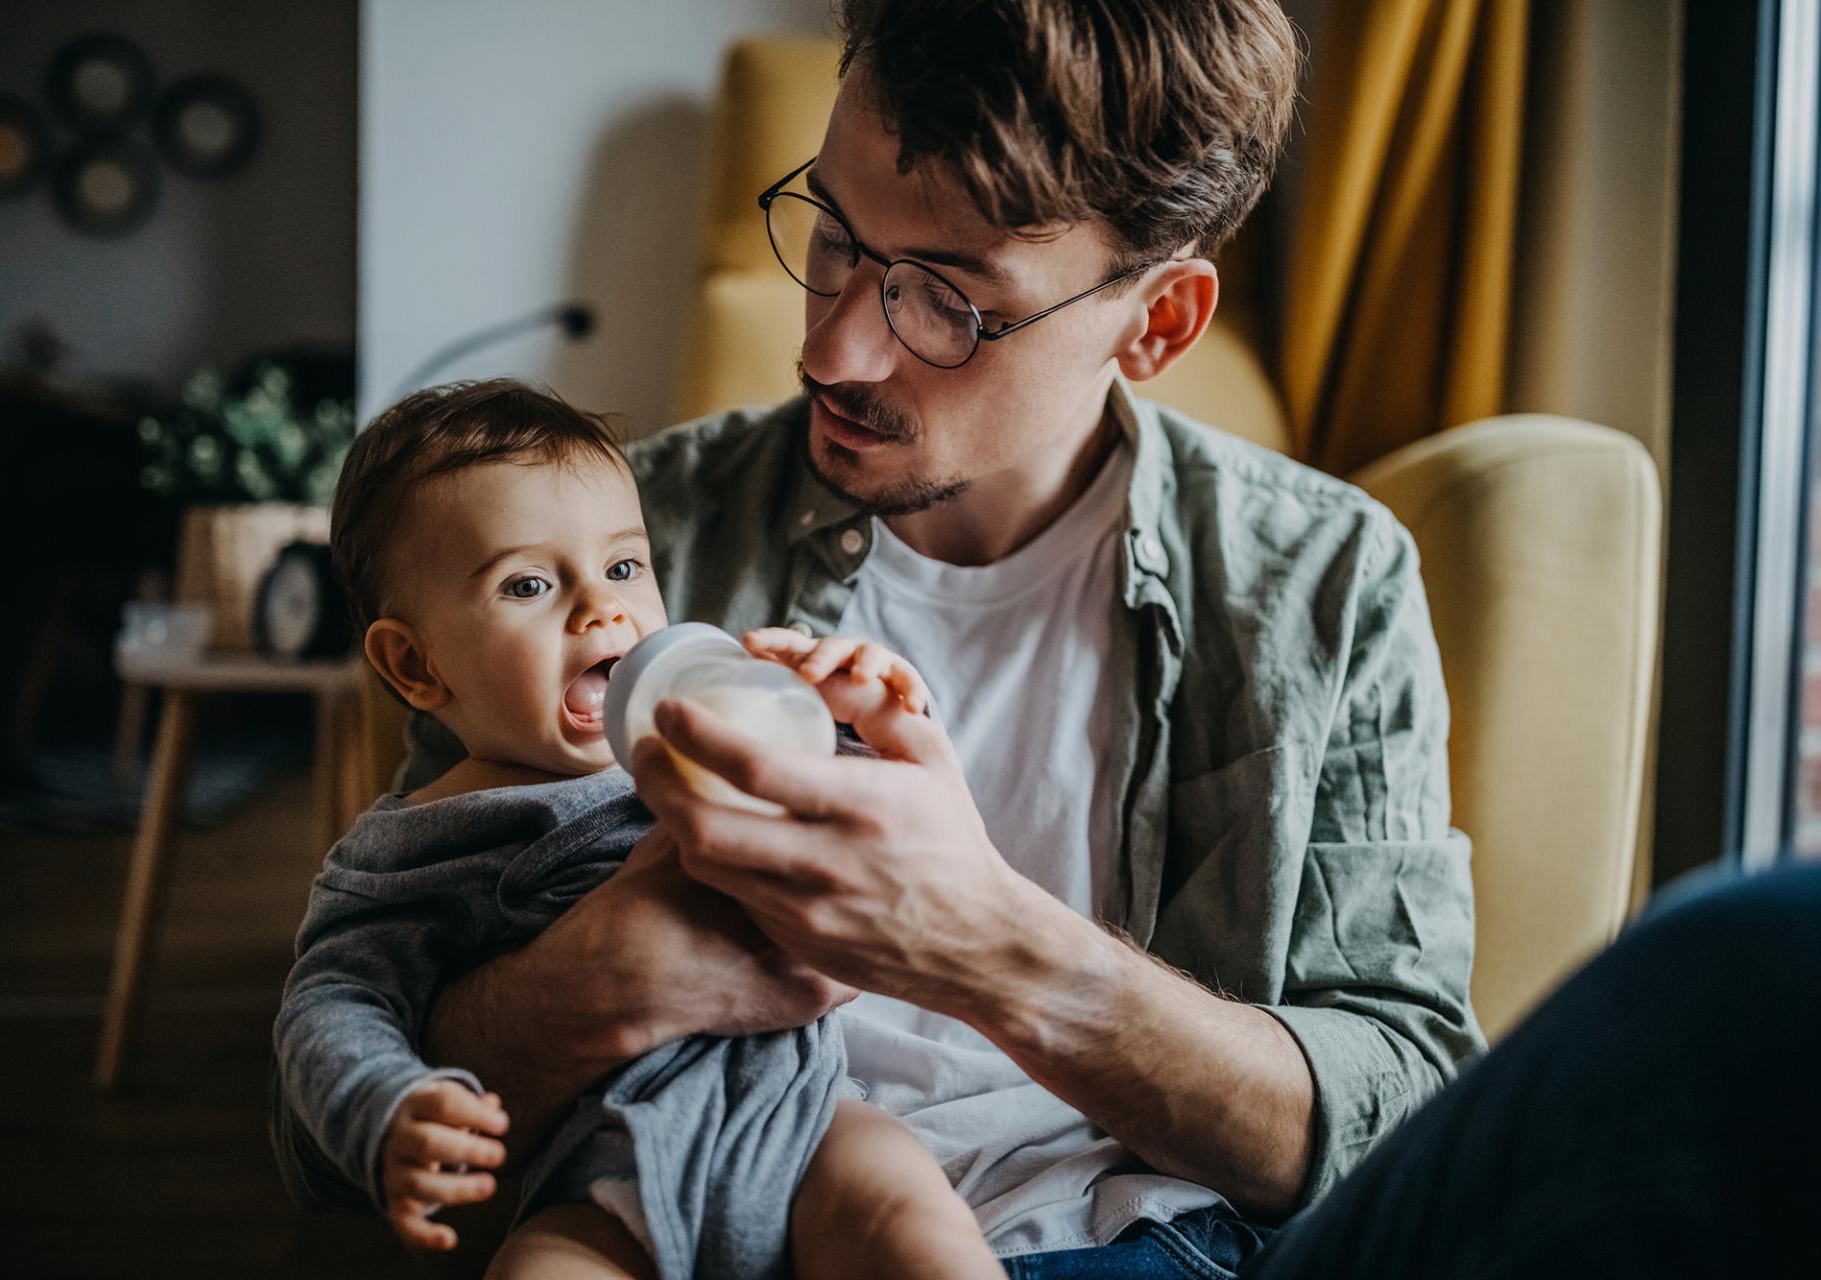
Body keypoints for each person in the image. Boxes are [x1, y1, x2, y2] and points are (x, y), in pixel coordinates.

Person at [273, 2, 1818, 1274]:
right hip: (700, 1228)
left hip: (1160, 1243)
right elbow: (339, 1116)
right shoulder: (614, 539)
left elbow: (1390, 1104)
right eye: (831, 231)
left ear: (1157, 323)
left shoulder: (1318, 581)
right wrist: (596, 986)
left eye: (942, 297)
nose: (830, 342)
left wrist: (984, 940)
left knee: (1759, 962)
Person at [275, 379, 1005, 1280]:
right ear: (416, 664)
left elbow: (858, 826)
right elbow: (332, 1004)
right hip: (597, 1174)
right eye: (529, 584)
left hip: (806, 1127)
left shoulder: (710, 741)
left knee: (914, 1225)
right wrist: (386, 1104)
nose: (602, 611)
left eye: (624, 567)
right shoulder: (410, 849)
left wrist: (861, 715)